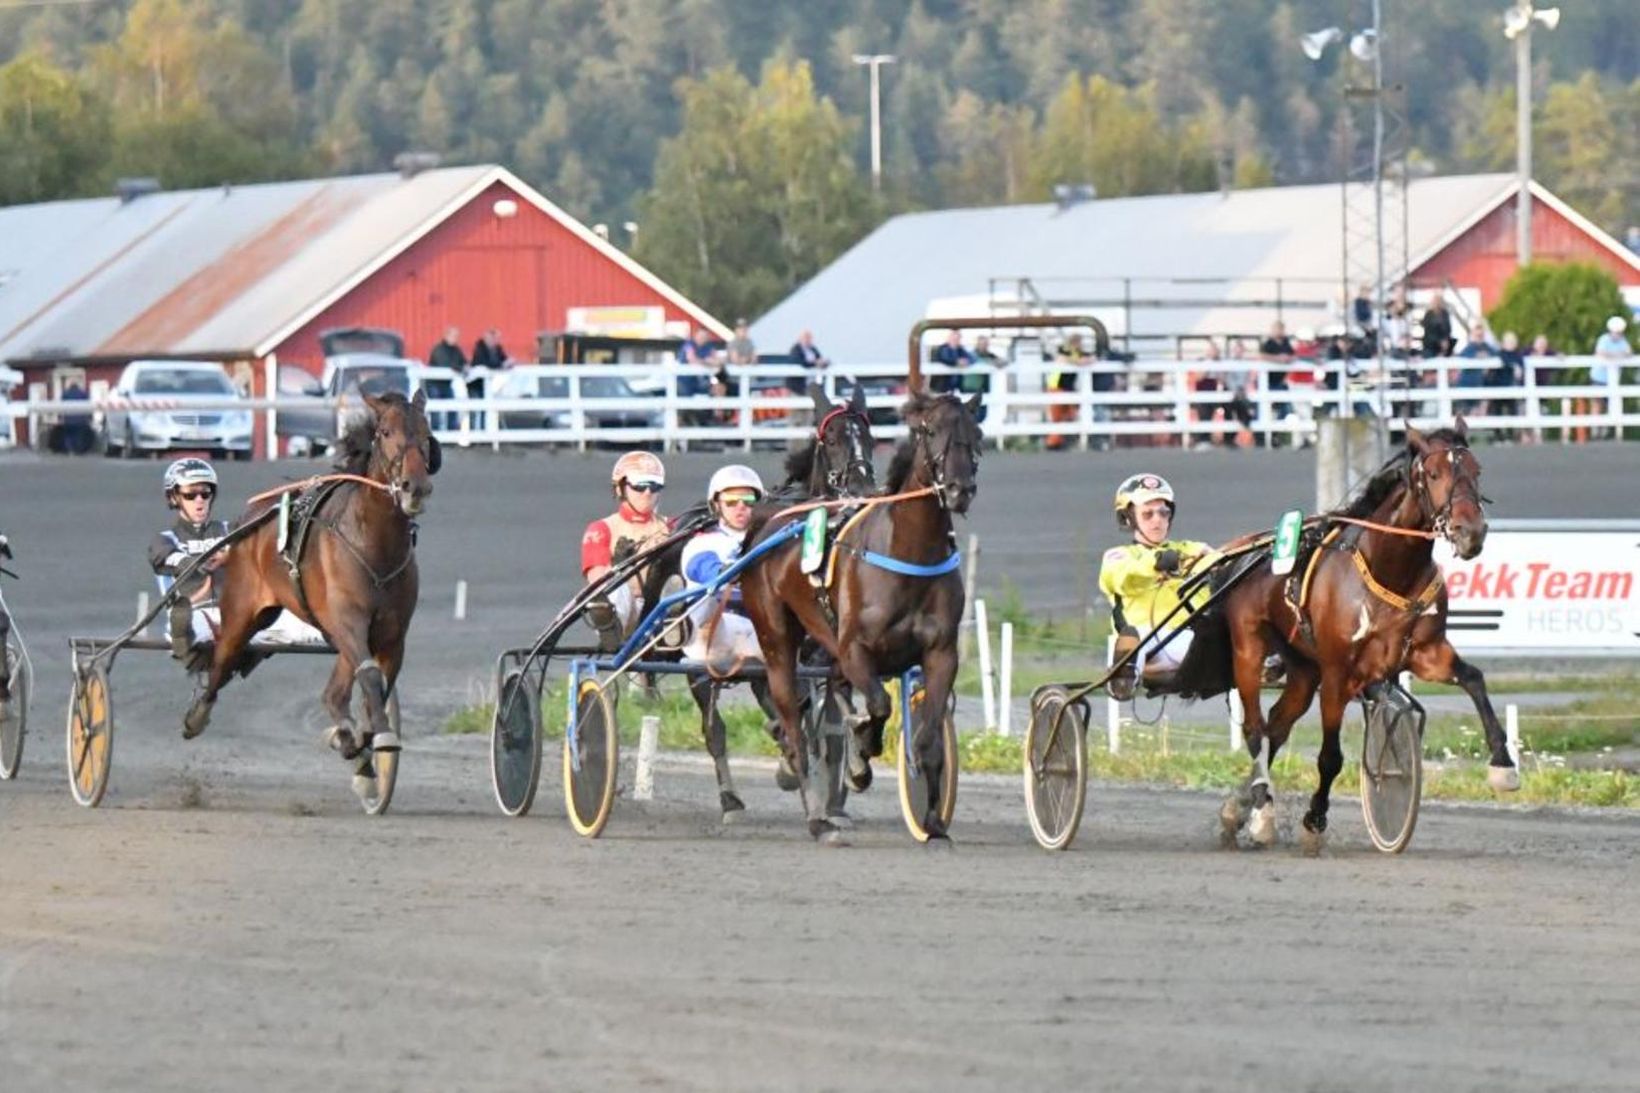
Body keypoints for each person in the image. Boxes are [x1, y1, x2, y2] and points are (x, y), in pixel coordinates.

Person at [148, 459, 323, 671]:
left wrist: (303, 494)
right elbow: (163, 557)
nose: (199, 500)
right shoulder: (166, 539)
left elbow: (265, 517)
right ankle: (183, 638)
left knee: (308, 627)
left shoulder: (229, 529)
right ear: (174, 497)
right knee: (192, 625)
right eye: (190, 495)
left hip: (241, 616)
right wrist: (192, 562)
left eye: (205, 493)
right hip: (197, 612)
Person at [1098, 474, 1221, 699]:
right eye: (1148, 514)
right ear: (1128, 518)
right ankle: (1123, 677)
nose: (1157, 520)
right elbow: (1121, 577)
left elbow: (1218, 563)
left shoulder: (1190, 548)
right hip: (1147, 643)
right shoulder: (1119, 556)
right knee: (1137, 635)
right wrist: (1157, 563)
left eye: (1164, 513)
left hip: (1189, 639)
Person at [580, 451, 671, 652]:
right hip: (621, 609)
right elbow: (596, 581)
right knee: (613, 583)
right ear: (621, 488)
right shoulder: (601, 529)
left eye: (654, 486)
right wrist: (619, 568)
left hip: (659, 607)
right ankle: (611, 629)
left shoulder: (672, 527)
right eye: (639, 486)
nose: (647, 493)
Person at [679, 465, 766, 669]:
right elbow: (698, 566)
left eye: (748, 501)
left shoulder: (770, 540)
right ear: (717, 505)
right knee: (705, 602)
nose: (740, 507)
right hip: (715, 628)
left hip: (759, 626)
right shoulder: (703, 541)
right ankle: (679, 622)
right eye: (731, 501)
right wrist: (722, 572)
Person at [1258, 321, 1295, 446]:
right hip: (1267, 383)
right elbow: (1261, 356)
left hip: (1280, 382)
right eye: (1277, 329)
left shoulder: (1286, 343)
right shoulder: (1268, 343)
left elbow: (1293, 355)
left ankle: (1275, 433)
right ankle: (1262, 437)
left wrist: (1288, 359)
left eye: (1281, 329)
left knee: (1286, 408)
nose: (1279, 331)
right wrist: (1278, 359)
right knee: (1263, 409)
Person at [1420, 293, 1454, 359]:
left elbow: (1448, 329)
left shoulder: (1445, 313)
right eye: (1435, 301)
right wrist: (1439, 341)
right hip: (1430, 346)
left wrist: (1445, 340)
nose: (1437, 303)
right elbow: (1428, 332)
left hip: (1444, 346)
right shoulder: (1428, 314)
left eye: (1438, 301)